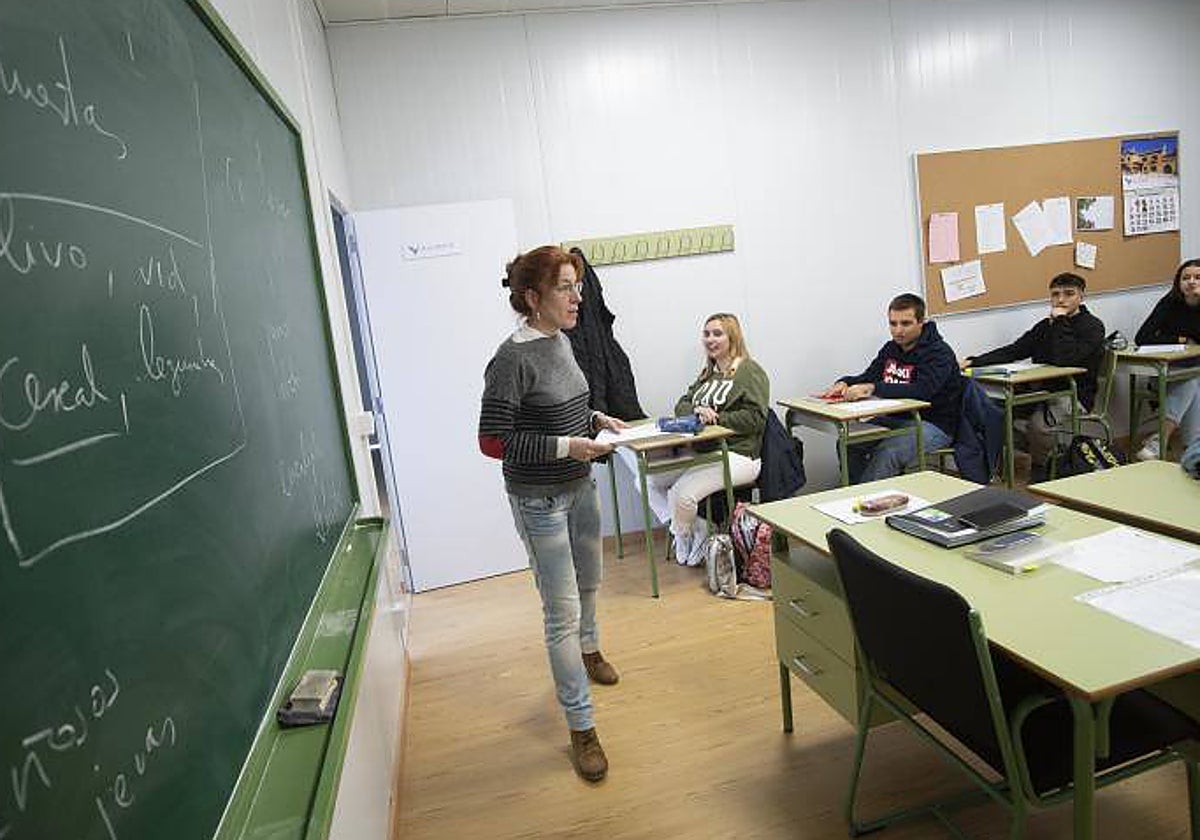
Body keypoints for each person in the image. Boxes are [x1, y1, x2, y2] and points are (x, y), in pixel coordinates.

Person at [477, 245, 628, 783]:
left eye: (577, 286)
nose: (577, 297)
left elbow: (561, 407)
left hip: (580, 487)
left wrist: (595, 418)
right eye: (565, 287)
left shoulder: (560, 340)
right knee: (560, 612)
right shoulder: (511, 360)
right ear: (532, 297)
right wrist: (568, 446)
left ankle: (589, 650)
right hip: (539, 500)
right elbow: (493, 441)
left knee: (591, 582)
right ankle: (582, 728)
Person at [649, 313, 769, 566]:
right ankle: (691, 527)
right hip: (705, 452)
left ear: (732, 337)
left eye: (717, 334)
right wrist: (696, 410)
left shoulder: (749, 371)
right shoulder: (708, 374)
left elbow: (756, 418)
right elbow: (681, 404)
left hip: (740, 455)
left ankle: (686, 532)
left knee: (682, 494)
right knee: (651, 480)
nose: (710, 339)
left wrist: (716, 418)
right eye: (706, 334)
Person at [958, 272, 1105, 478]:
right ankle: (1038, 451)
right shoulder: (1045, 326)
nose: (1061, 300)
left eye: (1069, 294)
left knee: (1038, 425)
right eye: (1055, 294)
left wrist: (1061, 320)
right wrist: (974, 361)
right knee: (990, 413)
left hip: (1074, 394)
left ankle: (1041, 470)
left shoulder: (1092, 326)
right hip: (1039, 391)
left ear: (1081, 297)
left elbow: (1065, 358)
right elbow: (1015, 350)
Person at [819, 293, 963, 483]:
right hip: (895, 418)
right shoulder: (890, 348)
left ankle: (867, 498)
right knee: (848, 443)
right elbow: (868, 377)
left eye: (905, 323)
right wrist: (845, 382)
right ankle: (858, 492)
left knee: (888, 452)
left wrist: (873, 388)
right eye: (893, 324)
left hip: (934, 424)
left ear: (921, 322)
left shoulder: (939, 353)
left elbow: (922, 391)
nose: (898, 330)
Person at [1133, 258, 1200, 460]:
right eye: (1185, 278)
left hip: (1195, 370)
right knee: (1190, 383)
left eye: (1198, 277)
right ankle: (1190, 450)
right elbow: (1142, 337)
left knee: (1193, 382)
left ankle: (1161, 441)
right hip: (1167, 371)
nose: (1191, 282)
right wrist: (1181, 339)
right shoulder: (1169, 303)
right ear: (1178, 283)